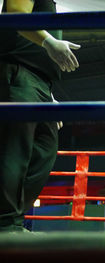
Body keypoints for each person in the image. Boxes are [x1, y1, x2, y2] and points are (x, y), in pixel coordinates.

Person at [0, 0, 80, 232]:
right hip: (17, 72)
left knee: (44, 150)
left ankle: (10, 222)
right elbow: (16, 14)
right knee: (14, 151)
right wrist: (49, 41)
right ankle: (5, 225)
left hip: (40, 83)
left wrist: (48, 93)